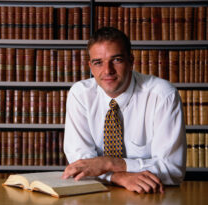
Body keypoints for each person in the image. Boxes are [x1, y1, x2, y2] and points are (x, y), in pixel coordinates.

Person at [62, 27, 186, 194]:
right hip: (97, 196)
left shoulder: (163, 95)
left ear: (131, 61)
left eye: (117, 60)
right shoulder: (80, 94)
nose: (108, 71)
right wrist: (119, 177)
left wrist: (109, 164)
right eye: (99, 62)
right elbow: (81, 165)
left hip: (151, 196)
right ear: (90, 66)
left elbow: (173, 169)